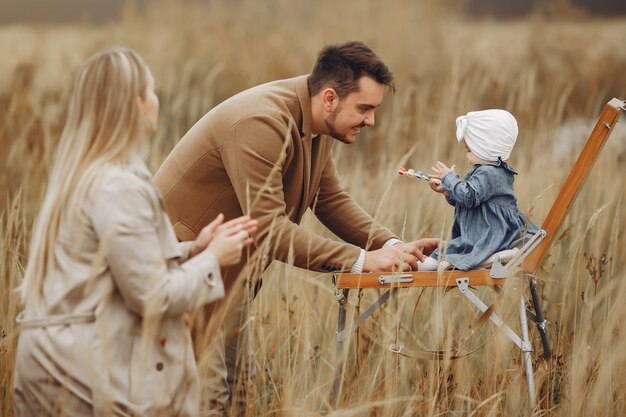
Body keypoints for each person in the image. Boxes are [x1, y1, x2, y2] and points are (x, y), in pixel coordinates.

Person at [153, 40, 438, 415]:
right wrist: (363, 259)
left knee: (238, 395)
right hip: (180, 270)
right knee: (207, 399)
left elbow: (330, 200)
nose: (371, 121)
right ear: (331, 98)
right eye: (365, 108)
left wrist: (395, 245)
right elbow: (269, 229)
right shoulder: (261, 122)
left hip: (225, 278)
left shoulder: (316, 123)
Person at [13, 48, 257, 417]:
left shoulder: (86, 172)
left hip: (56, 364)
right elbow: (152, 296)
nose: (157, 100)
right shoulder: (117, 184)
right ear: (136, 105)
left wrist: (191, 250)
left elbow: (111, 264)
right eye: (152, 91)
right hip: (78, 376)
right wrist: (211, 260)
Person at [420, 109, 539, 271]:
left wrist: (449, 178)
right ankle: (426, 265)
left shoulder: (489, 172)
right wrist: (447, 191)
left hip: (487, 234)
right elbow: (471, 202)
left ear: (485, 147)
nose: (466, 156)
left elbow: (468, 196)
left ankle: (422, 267)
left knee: (447, 249)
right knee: (449, 248)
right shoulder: (493, 171)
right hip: (487, 231)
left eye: (469, 150)